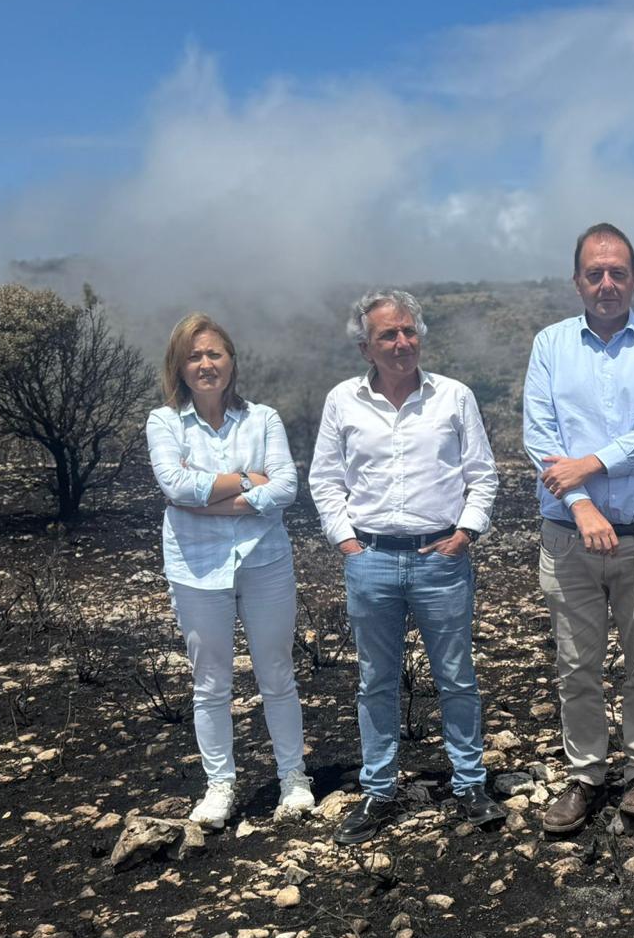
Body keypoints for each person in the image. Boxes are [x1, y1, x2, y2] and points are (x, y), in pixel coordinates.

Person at [309, 290, 501, 845]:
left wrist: (465, 533)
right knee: (375, 680)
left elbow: (482, 474)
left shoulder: (454, 397)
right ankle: (379, 790)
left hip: (440, 556)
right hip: (370, 559)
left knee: (457, 677)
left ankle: (469, 782)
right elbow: (326, 480)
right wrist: (346, 542)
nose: (401, 343)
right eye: (388, 335)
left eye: (408, 332)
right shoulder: (342, 401)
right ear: (365, 346)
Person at [523, 223, 634, 836]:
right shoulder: (549, 346)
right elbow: (540, 440)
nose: (607, 282)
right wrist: (584, 506)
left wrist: (591, 465)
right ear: (577, 281)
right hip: (569, 535)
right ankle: (586, 774)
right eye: (594, 272)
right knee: (576, 663)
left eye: (618, 271)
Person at [145, 313, 310, 830]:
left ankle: (294, 779)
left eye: (214, 353)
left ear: (231, 360)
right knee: (210, 682)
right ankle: (220, 786)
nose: (205, 363)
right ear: (179, 365)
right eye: (194, 356)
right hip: (196, 568)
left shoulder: (263, 419)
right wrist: (245, 480)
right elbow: (175, 486)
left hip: (264, 561)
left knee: (277, 673)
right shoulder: (164, 422)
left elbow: (285, 487)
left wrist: (214, 497)